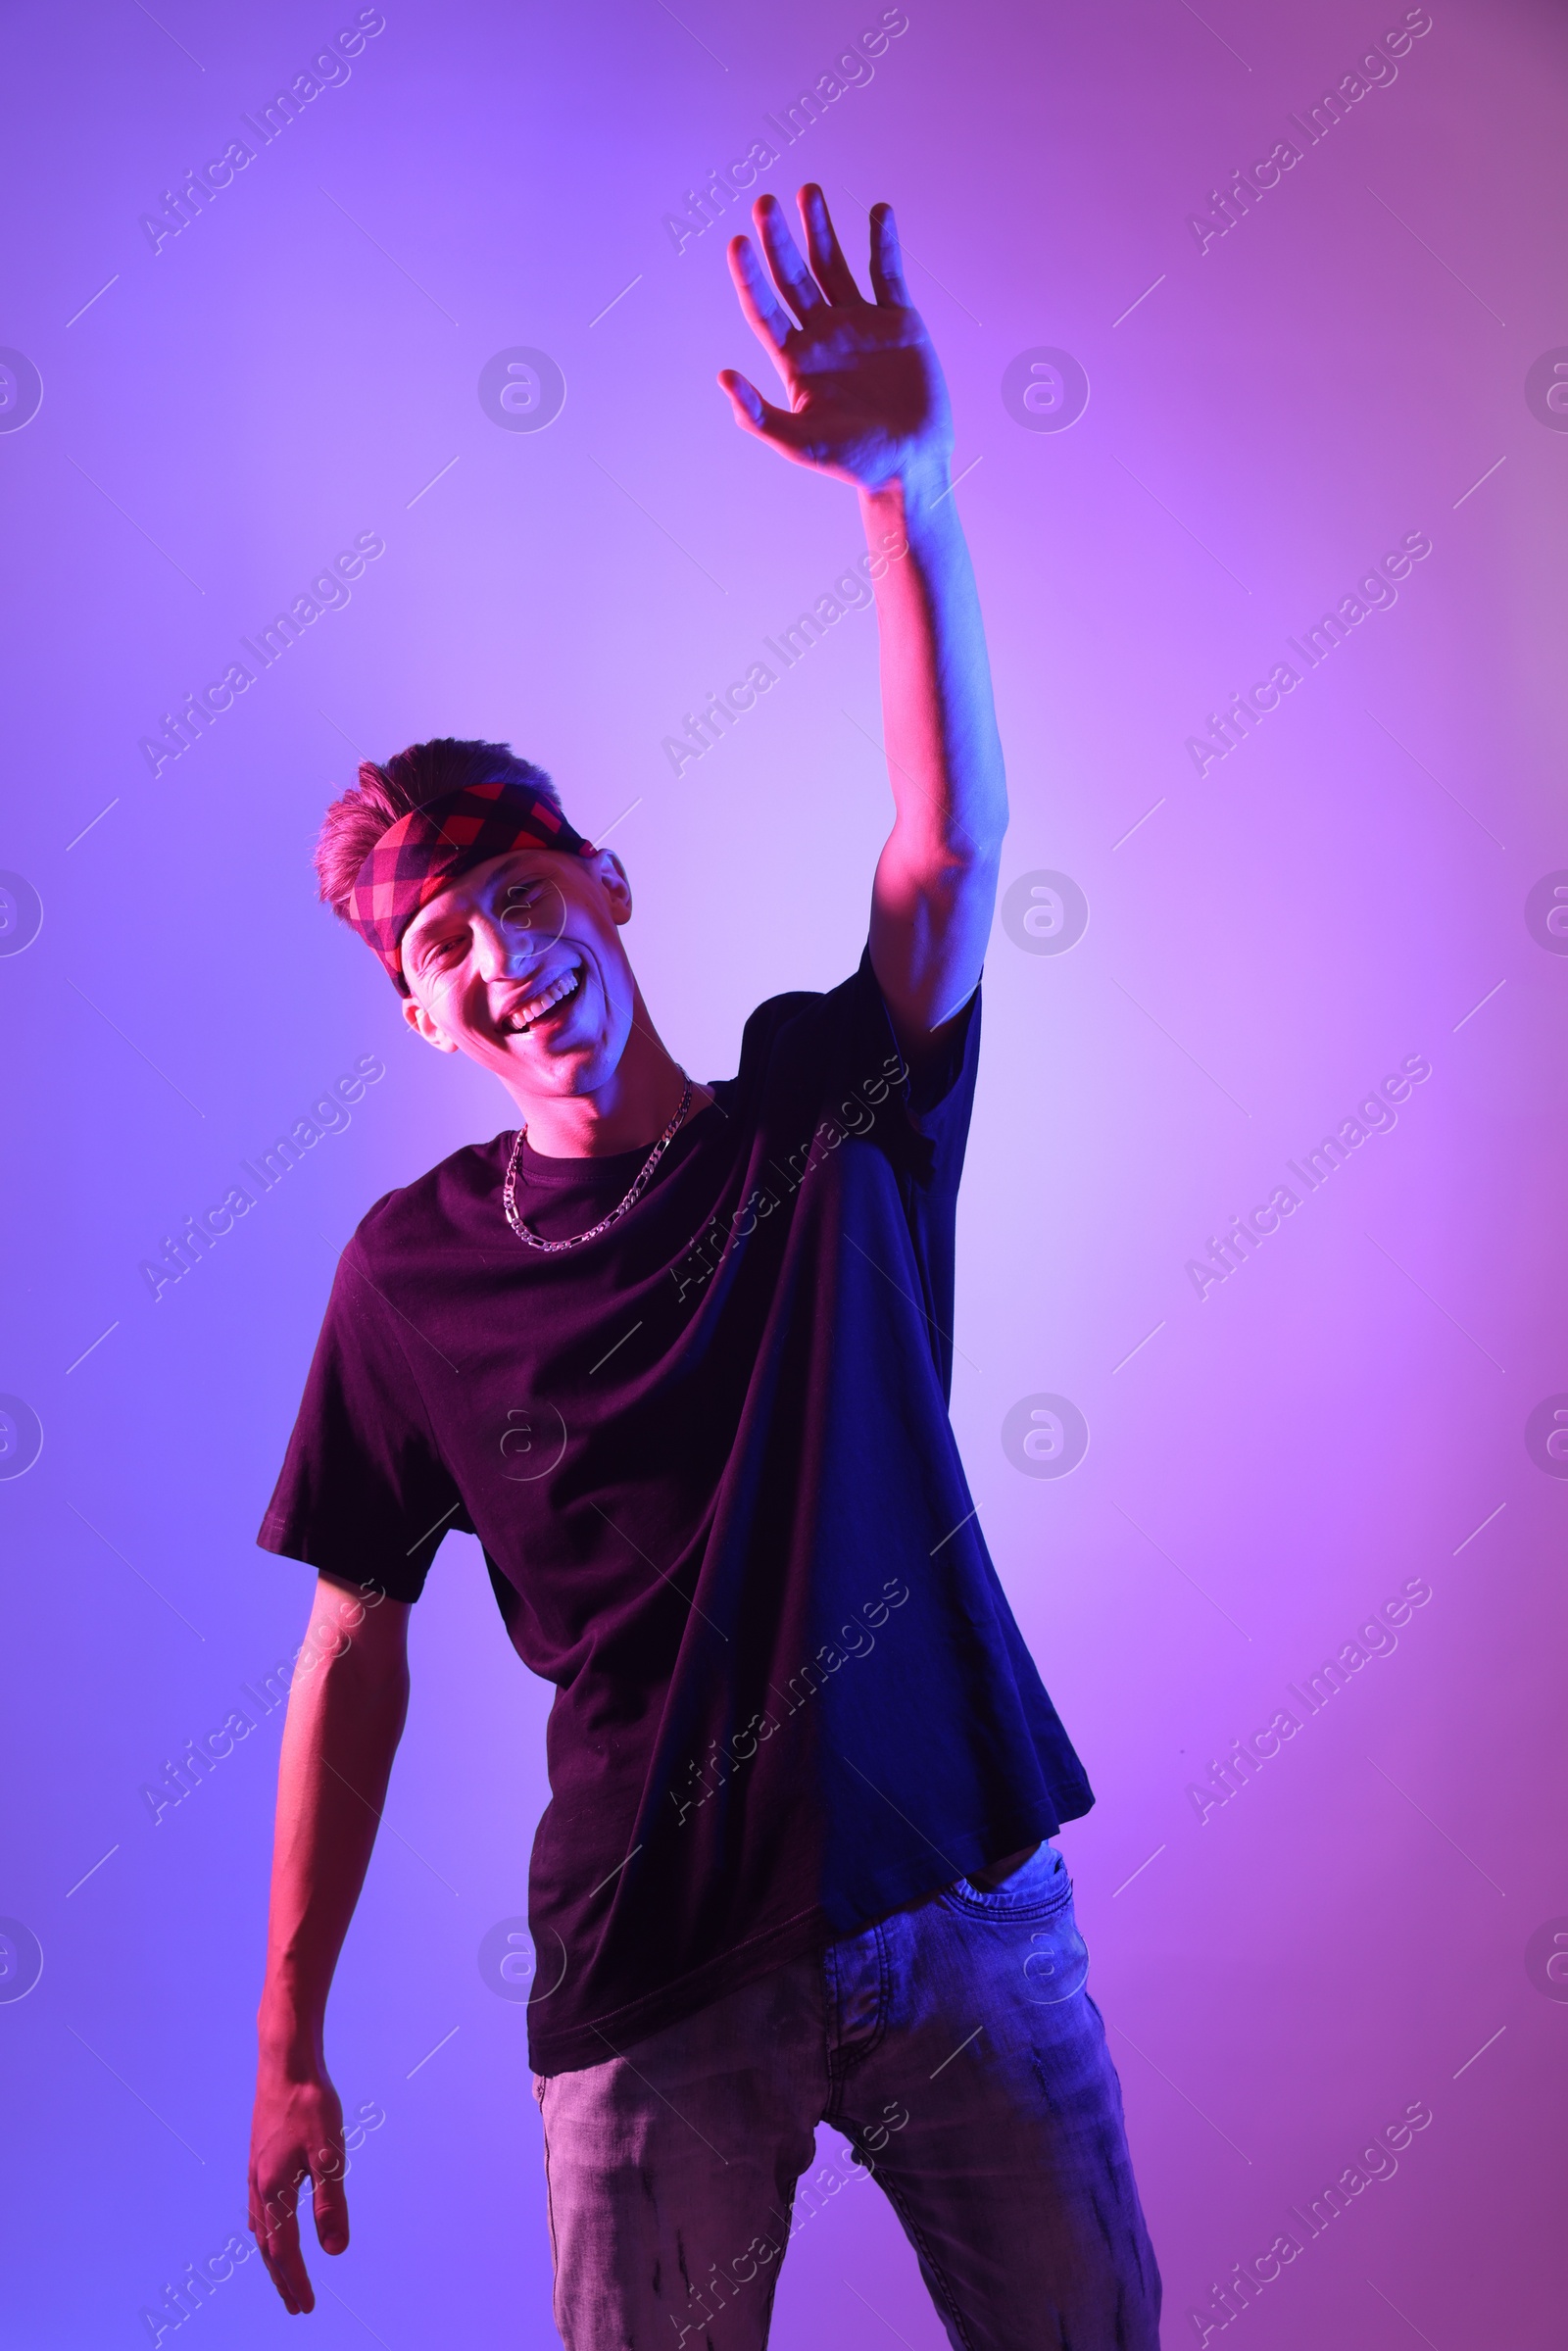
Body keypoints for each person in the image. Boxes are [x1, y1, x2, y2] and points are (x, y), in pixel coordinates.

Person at [246, 184, 1160, 2350]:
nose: (497, 960)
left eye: (512, 889)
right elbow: (352, 1642)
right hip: (655, 1971)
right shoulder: (413, 1277)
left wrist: (905, 494)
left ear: (606, 882)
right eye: (435, 946)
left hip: (959, 1901)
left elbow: (943, 855)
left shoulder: (821, 1126)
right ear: (417, 1017)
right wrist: (289, 2028)